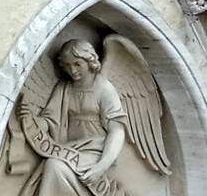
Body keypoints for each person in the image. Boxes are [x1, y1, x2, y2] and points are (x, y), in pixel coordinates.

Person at [17, 39, 126, 196]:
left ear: (89, 61)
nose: (72, 70)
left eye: (77, 64)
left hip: (96, 152)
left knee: (54, 165)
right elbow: (49, 120)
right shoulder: (64, 88)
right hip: (69, 149)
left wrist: (102, 165)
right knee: (52, 165)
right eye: (67, 65)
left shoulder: (104, 88)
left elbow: (117, 131)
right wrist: (29, 119)